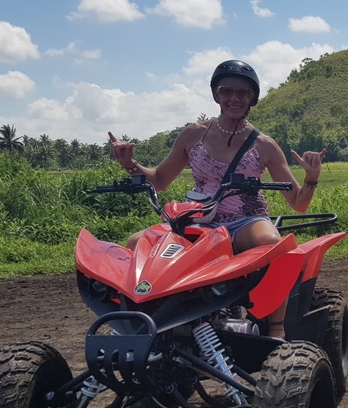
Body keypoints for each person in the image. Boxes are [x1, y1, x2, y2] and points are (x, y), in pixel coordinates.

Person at [108, 59, 327, 338]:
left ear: (252, 98)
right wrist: (130, 165)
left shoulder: (264, 145)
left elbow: (299, 203)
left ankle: (276, 326)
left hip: (245, 220)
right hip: (197, 219)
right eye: (227, 91)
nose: (234, 99)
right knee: (137, 242)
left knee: (272, 243)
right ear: (216, 94)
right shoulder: (193, 134)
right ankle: (141, 319)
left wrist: (312, 176)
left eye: (243, 93)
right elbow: (160, 180)